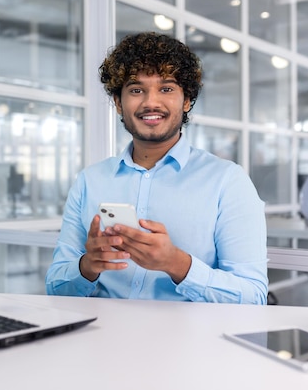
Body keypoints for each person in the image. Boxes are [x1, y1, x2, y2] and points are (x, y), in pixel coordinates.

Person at [45, 32, 268, 304]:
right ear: (118, 102)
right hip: (101, 338)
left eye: (166, 89)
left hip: (190, 343)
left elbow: (254, 296)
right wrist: (87, 266)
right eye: (136, 90)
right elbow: (56, 289)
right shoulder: (89, 181)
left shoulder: (228, 182)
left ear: (186, 101)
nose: (151, 102)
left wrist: (177, 264)